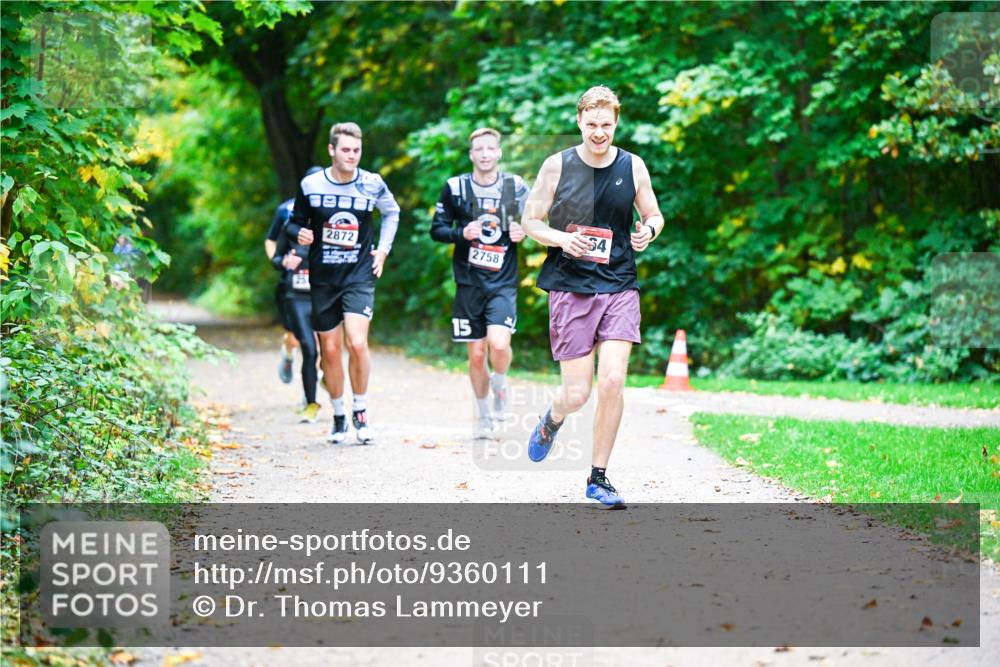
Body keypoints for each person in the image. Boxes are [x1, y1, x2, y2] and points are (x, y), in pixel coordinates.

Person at [521, 86, 664, 509]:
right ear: (579, 121)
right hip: (570, 286)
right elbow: (530, 220)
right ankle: (554, 417)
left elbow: (653, 213)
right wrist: (562, 239)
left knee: (614, 380)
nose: (599, 133)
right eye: (591, 124)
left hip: (619, 283)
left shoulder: (632, 166)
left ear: (615, 123)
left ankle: (598, 478)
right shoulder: (556, 166)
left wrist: (648, 231)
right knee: (578, 393)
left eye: (607, 125)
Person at [286, 122, 401, 444]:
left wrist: (383, 251)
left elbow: (392, 213)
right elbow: (294, 223)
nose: (352, 156)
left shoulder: (371, 183)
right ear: (331, 150)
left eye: (357, 150)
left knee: (357, 343)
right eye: (346, 150)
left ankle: (360, 411)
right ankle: (338, 415)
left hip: (359, 276)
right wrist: (300, 233)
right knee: (331, 352)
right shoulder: (311, 185)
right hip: (323, 279)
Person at [430, 128, 529, 438]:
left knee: (499, 344)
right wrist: (461, 234)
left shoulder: (516, 187)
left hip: (503, 281)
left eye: (490, 149)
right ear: (471, 154)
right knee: (475, 355)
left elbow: (536, 221)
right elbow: (437, 229)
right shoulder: (455, 188)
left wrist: (523, 231)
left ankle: (500, 383)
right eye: (479, 149)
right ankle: (484, 415)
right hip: (469, 282)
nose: (485, 154)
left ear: (498, 153)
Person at [271, 213, 321, 423]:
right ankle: (310, 402)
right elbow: (276, 258)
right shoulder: (290, 227)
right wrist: (284, 261)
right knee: (309, 348)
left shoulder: (330, 226)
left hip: (324, 296)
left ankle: (320, 380)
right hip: (297, 298)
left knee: (327, 351)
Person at [265, 197, 300, 385]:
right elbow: (270, 240)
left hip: (321, 281)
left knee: (319, 340)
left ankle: (312, 390)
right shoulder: (286, 210)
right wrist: (278, 262)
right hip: (293, 279)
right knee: (294, 337)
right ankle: (288, 355)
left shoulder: (338, 203)